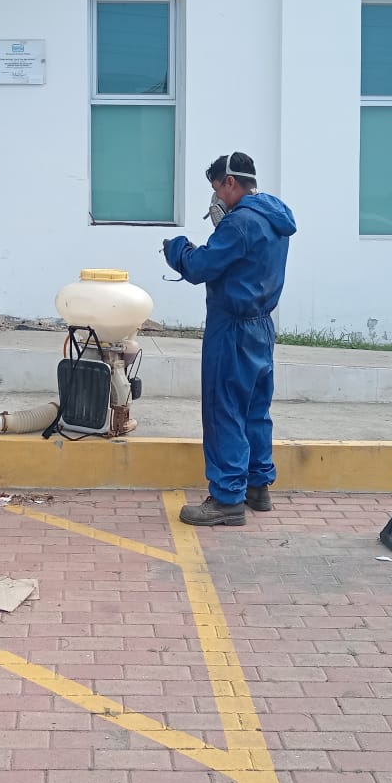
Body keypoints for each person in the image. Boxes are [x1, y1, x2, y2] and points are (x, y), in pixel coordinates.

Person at [162, 152, 297, 526]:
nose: (216, 197)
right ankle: (257, 487)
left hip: (232, 329)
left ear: (231, 182)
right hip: (261, 327)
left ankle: (226, 499)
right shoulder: (274, 217)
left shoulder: (239, 224)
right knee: (255, 410)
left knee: (225, 411)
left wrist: (177, 248)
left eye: (217, 188)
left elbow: (200, 267)